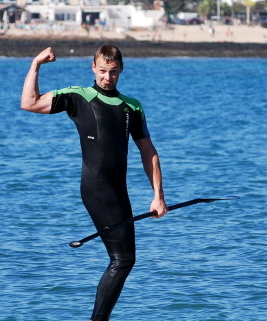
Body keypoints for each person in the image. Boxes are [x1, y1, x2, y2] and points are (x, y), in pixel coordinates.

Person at [20, 45, 168, 321]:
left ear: (121, 70)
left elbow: (149, 152)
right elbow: (29, 103)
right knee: (122, 260)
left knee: (125, 260)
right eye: (102, 71)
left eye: (113, 72)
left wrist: (158, 196)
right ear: (93, 67)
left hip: (119, 190)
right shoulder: (78, 97)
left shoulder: (132, 106)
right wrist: (36, 64)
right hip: (96, 187)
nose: (107, 77)